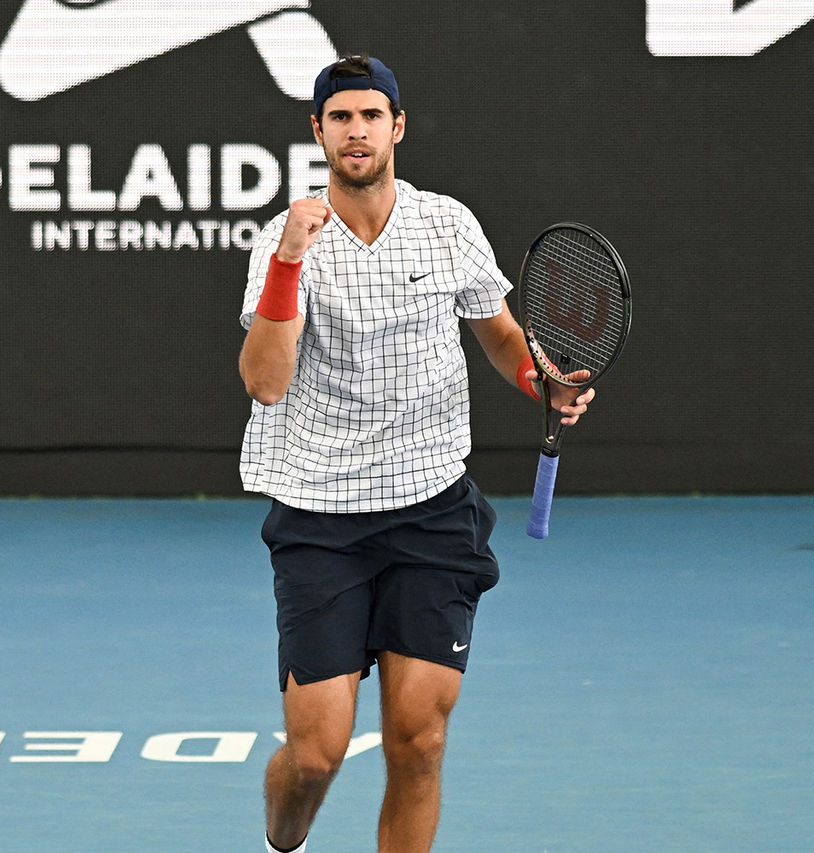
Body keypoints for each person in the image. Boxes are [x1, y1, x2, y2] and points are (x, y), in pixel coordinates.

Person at [238, 56, 595, 852]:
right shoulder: (285, 238)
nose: (356, 131)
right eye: (341, 118)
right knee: (315, 756)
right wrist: (291, 258)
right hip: (320, 519)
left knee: (419, 741)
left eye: (371, 116)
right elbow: (265, 382)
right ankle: (281, 832)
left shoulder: (448, 223)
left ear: (397, 126)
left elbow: (502, 337)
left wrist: (544, 383)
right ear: (319, 132)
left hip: (432, 513)